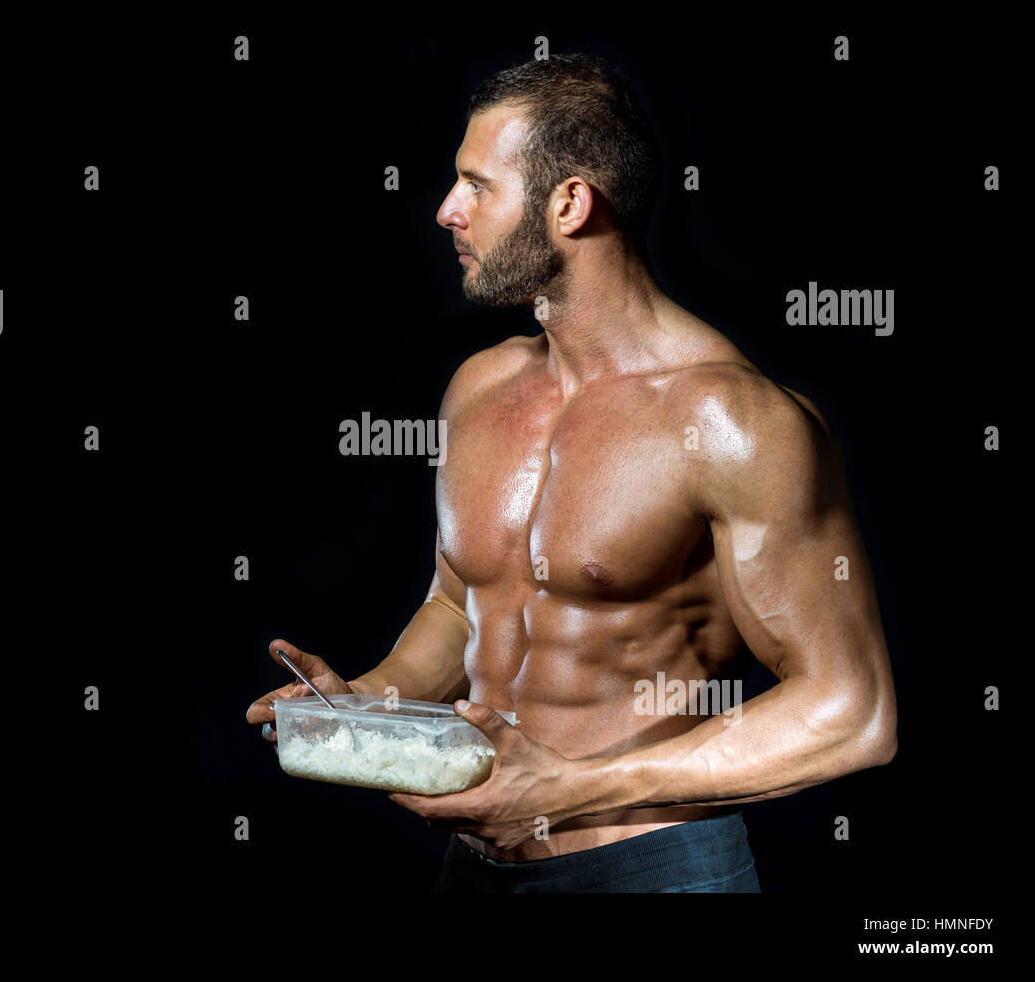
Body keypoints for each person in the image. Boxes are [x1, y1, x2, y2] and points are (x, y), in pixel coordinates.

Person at [246, 52, 897, 892]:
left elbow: (853, 713)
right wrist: (366, 704)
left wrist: (570, 792)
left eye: (478, 185)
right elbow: (460, 606)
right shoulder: (480, 388)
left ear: (571, 203)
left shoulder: (730, 421)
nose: (448, 210)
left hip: (652, 868)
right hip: (476, 865)